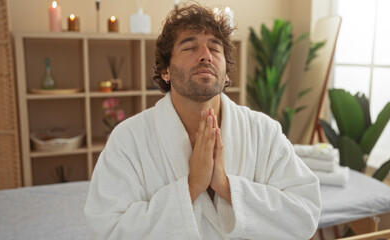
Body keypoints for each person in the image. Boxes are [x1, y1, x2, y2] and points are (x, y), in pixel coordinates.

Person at [84, 4, 321, 240]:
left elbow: (305, 213)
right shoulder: (129, 139)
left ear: (226, 73)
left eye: (215, 49)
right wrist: (190, 187)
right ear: (165, 70)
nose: (205, 55)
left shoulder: (263, 132)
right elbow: (107, 230)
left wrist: (227, 186)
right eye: (189, 47)